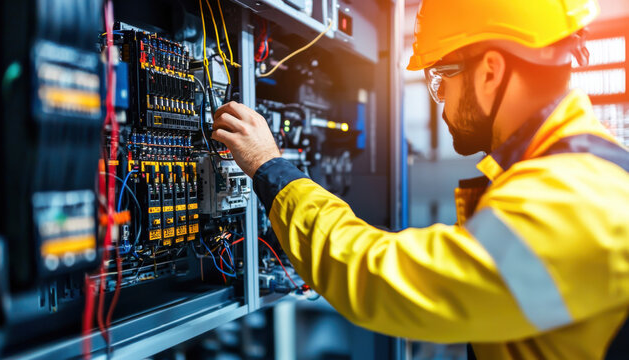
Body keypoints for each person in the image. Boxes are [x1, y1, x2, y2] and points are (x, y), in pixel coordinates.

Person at [211, 0, 629, 358]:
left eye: (441, 78)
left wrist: (271, 168)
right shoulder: (564, 173)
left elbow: (384, 280)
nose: (440, 99)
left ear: (490, 72)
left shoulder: (578, 198)